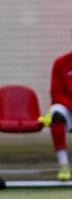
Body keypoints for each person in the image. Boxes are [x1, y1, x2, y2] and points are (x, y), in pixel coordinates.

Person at [41, 36, 72, 181]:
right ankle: (64, 164)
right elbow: (56, 93)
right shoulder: (61, 63)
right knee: (56, 114)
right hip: (68, 108)